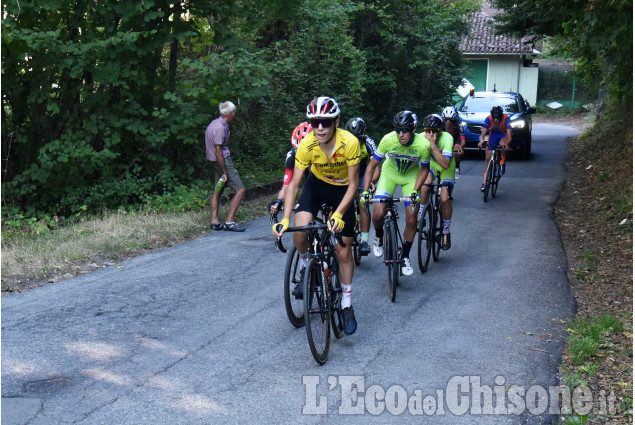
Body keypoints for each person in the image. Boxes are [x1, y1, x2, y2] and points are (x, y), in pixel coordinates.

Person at [272, 96, 361, 335]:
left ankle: (346, 303)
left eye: (326, 122)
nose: (320, 127)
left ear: (336, 121)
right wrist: (285, 219)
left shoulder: (350, 143)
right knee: (300, 232)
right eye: (315, 122)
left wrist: (339, 213)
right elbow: (294, 185)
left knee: (343, 251)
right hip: (317, 186)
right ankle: (305, 267)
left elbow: (354, 185)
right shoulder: (306, 145)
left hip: (343, 189)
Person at [360, 111, 431, 276]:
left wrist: (415, 190)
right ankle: (378, 236)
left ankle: (405, 255)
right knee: (378, 212)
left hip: (410, 177)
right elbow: (371, 166)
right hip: (389, 174)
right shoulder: (388, 139)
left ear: (413, 129)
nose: (401, 134)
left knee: (412, 217)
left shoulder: (423, 145)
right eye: (398, 130)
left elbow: (425, 169)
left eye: (405, 130)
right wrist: (365, 191)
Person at [206, 101, 246, 232]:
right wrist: (224, 172)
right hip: (222, 161)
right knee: (240, 190)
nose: (234, 114)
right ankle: (230, 221)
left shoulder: (214, 123)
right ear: (229, 114)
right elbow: (218, 151)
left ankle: (215, 221)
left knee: (218, 189)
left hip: (214, 161)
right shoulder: (220, 128)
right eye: (233, 112)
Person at [419, 114, 456, 250]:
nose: (432, 133)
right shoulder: (421, 137)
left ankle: (446, 231)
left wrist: (433, 145)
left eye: (435, 130)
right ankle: (421, 216)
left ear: (441, 130)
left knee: (445, 199)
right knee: (425, 186)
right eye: (429, 130)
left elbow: (445, 164)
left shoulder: (447, 138)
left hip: (446, 166)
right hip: (433, 164)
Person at [344, 117, 381, 256]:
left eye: (359, 138)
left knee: (363, 200)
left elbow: (376, 167)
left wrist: (372, 181)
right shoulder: (340, 141)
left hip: (362, 173)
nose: (356, 141)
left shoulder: (368, 142)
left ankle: (365, 240)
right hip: (346, 173)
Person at [269, 122, 313, 216]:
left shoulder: (325, 152)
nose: (302, 153)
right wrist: (278, 202)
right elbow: (286, 186)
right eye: (299, 150)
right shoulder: (292, 155)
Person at [477, 105, 512, 192]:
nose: (495, 120)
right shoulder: (488, 119)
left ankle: (502, 160)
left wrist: (507, 144)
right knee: (487, 158)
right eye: (494, 118)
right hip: (494, 134)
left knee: (502, 144)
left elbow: (510, 136)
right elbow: (482, 134)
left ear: (501, 116)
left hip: (504, 134)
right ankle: (485, 182)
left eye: (498, 118)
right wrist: (481, 141)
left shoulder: (506, 119)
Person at [441, 106, 465, 180]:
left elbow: (463, 139)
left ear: (454, 120)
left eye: (450, 120)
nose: (448, 122)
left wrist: (461, 148)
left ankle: (457, 166)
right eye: (446, 120)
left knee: (456, 152)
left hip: (455, 138)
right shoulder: (440, 123)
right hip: (444, 139)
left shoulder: (459, 123)